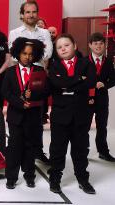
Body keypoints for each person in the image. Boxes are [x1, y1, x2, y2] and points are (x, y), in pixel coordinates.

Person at [48, 34, 96, 194]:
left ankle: (83, 179)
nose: (63, 49)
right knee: (57, 150)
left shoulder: (86, 63)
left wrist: (67, 83)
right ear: (56, 51)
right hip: (60, 116)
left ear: (75, 46)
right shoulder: (54, 66)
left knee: (81, 150)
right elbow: (56, 83)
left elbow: (90, 82)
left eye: (66, 45)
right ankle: (55, 179)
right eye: (59, 47)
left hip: (81, 116)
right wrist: (78, 79)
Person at [8, 0, 52, 164]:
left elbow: (47, 54)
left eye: (34, 12)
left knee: (38, 118)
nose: (31, 15)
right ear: (22, 14)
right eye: (28, 12)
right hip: (20, 78)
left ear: (37, 14)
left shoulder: (45, 33)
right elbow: (13, 55)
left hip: (38, 78)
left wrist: (29, 56)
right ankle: (18, 152)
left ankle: (38, 151)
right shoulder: (14, 33)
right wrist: (34, 54)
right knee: (19, 117)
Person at [2, 37, 46, 189]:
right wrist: (21, 103)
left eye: (31, 54)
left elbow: (45, 92)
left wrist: (32, 96)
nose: (27, 57)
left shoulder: (39, 71)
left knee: (30, 147)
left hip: (33, 116)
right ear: (17, 53)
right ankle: (11, 177)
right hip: (16, 117)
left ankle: (30, 176)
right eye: (24, 53)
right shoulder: (9, 72)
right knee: (14, 148)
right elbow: (5, 92)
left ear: (35, 55)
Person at [87, 32, 115, 161]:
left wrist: (105, 84)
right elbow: (79, 79)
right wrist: (91, 84)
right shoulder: (83, 61)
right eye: (95, 43)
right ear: (90, 45)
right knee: (84, 126)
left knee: (102, 126)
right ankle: (82, 151)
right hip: (86, 98)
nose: (98, 46)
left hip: (102, 99)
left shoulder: (108, 61)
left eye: (101, 43)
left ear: (104, 45)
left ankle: (103, 151)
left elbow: (113, 79)